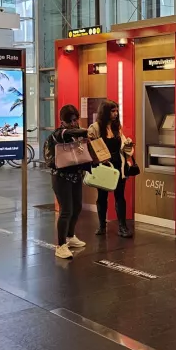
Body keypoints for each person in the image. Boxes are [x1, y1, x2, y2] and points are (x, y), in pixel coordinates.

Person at [45, 104, 90, 259]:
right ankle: (61, 245)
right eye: (69, 121)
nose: (73, 123)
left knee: (77, 207)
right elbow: (69, 133)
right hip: (61, 177)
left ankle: (70, 237)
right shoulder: (59, 134)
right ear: (62, 121)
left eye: (75, 120)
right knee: (66, 210)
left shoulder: (77, 133)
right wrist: (87, 131)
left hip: (76, 175)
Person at [88, 100, 135, 238]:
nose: (116, 113)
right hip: (103, 166)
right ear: (105, 112)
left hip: (117, 165)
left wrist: (128, 144)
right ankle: (102, 225)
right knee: (102, 196)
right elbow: (90, 146)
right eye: (112, 111)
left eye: (116, 110)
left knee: (120, 196)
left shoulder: (116, 127)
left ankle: (122, 226)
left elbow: (123, 147)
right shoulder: (95, 127)